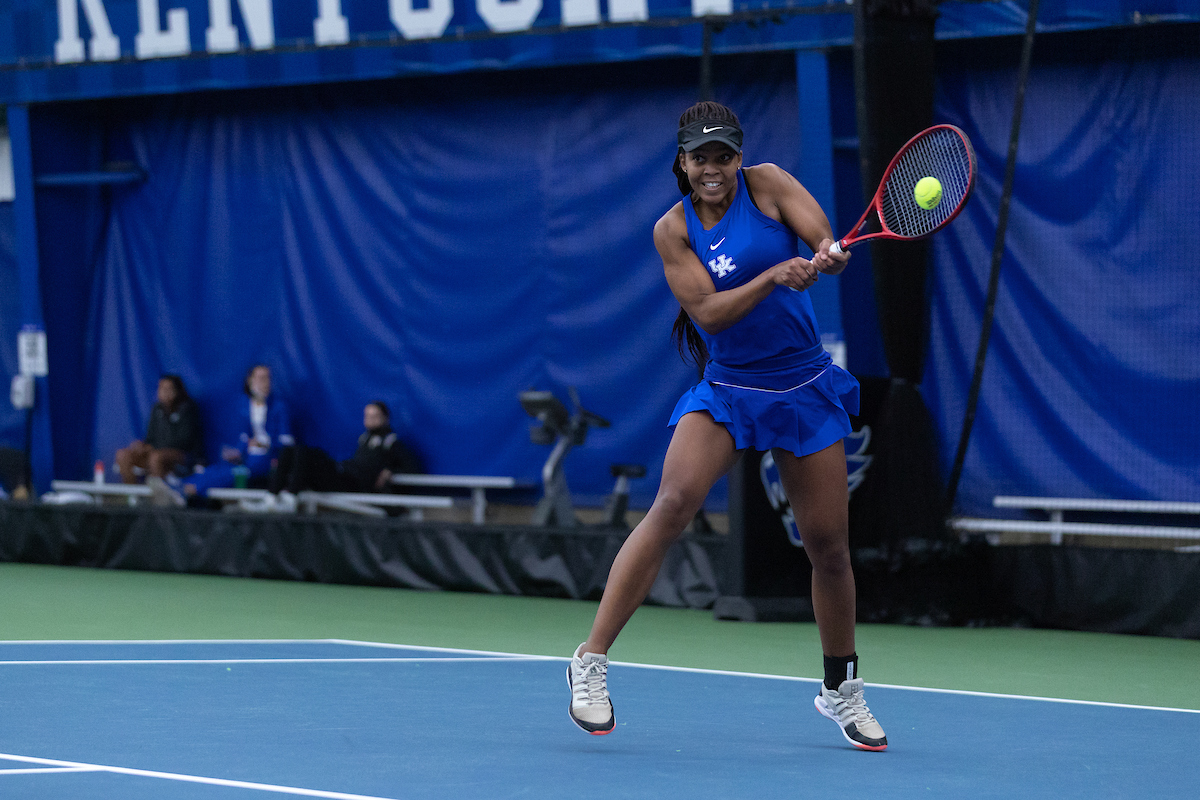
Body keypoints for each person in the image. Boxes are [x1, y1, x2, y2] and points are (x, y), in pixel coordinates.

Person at [565, 101, 887, 751]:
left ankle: (841, 690)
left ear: (739, 157)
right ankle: (590, 662)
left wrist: (827, 253)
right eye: (699, 158)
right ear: (682, 164)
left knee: (827, 546)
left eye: (723, 156)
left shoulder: (767, 184)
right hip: (730, 390)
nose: (713, 168)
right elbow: (709, 315)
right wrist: (774, 276)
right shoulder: (672, 230)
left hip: (802, 385)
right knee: (673, 504)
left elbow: (819, 232)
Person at [151, 364, 293, 506]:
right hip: (247, 457)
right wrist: (238, 450)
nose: (266, 383)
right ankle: (181, 486)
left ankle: (187, 491)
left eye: (268, 378)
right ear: (250, 381)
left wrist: (266, 445)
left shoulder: (279, 407)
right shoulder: (245, 406)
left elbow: (287, 442)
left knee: (233, 473)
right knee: (216, 469)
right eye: (261, 378)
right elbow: (245, 438)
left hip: (266, 460)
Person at [268, 401, 422, 506]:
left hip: (351, 482)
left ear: (385, 419)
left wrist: (390, 472)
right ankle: (272, 495)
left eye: (375, 416)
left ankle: (291, 497)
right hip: (342, 471)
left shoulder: (391, 442)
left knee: (304, 453)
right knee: (290, 450)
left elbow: (412, 468)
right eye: (367, 416)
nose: (370, 420)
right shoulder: (364, 439)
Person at [115, 374, 205, 484]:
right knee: (123, 454)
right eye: (160, 388)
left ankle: (159, 499)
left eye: (167, 388)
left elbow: (184, 441)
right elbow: (150, 438)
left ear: (177, 391)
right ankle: (131, 495)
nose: (163, 392)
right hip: (156, 451)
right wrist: (142, 445)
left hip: (182, 457)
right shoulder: (156, 409)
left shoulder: (188, 408)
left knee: (156, 457)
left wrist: (153, 448)